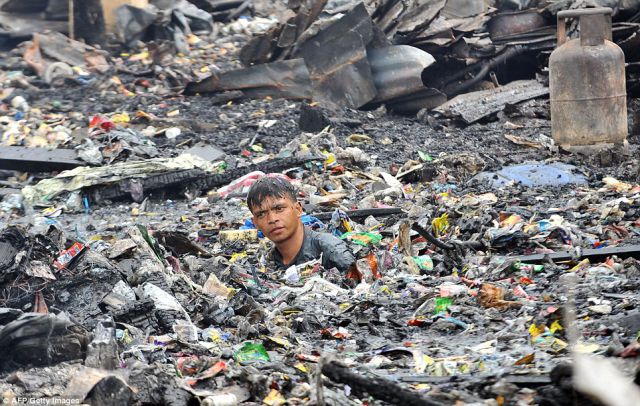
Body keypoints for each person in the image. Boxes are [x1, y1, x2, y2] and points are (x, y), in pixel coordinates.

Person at [246, 176, 355, 272]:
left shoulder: (332, 251)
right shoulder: (267, 261)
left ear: (298, 209)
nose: (272, 219)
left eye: (279, 209)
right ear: (255, 223)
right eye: (261, 214)